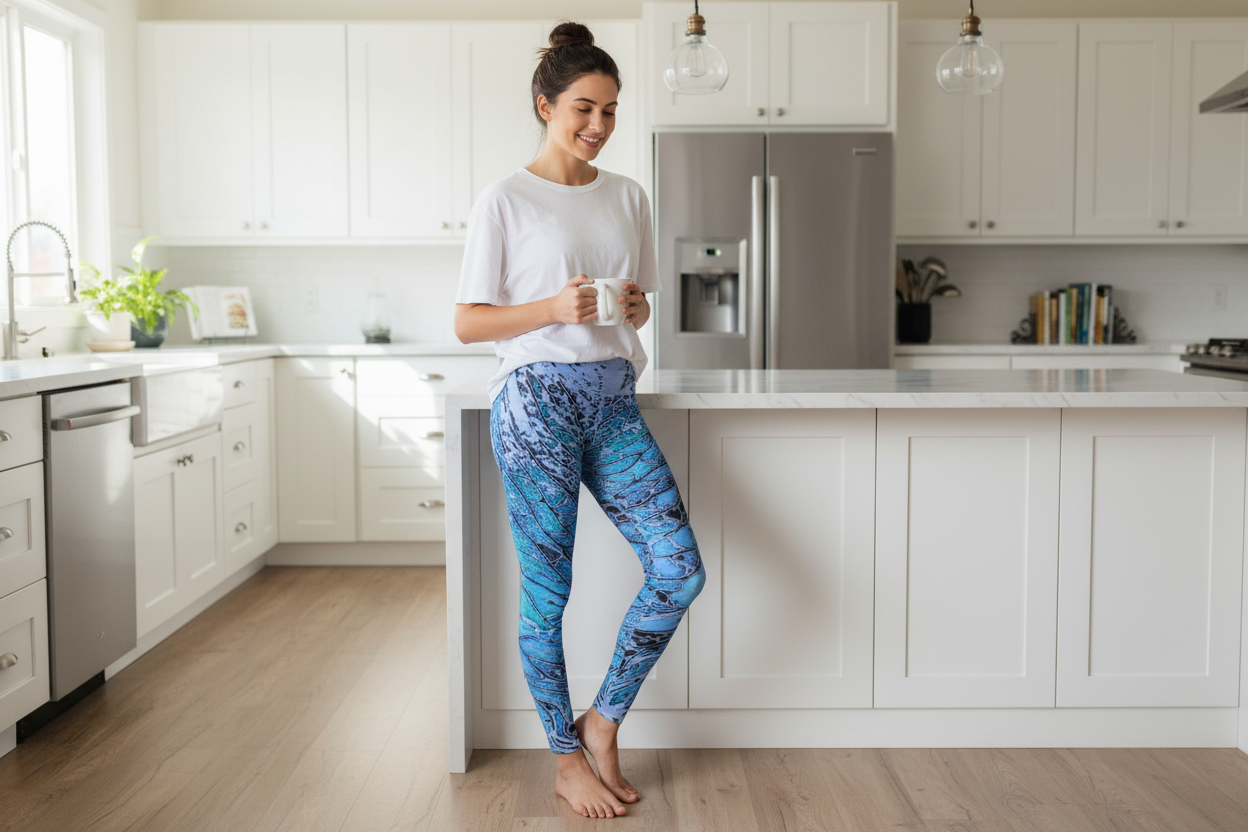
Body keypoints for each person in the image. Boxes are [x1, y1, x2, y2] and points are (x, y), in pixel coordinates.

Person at [453, 20, 705, 821]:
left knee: (678, 568)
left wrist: (634, 304)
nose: (598, 126)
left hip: (611, 399)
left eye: (611, 111)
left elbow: (641, 300)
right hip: (536, 405)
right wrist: (549, 309)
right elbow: (467, 322)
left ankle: (602, 722)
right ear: (545, 104)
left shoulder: (628, 193)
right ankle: (563, 759)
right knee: (548, 592)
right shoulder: (504, 198)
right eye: (583, 109)